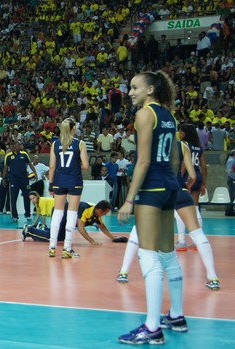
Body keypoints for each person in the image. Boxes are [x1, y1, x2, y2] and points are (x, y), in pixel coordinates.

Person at [116, 71, 184, 345]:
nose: (130, 92)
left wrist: (129, 199)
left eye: (135, 87)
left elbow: (142, 161)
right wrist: (171, 183)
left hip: (152, 189)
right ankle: (177, 316)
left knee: (148, 255)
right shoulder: (169, 115)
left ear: (151, 89)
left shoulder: (145, 114)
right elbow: (176, 156)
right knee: (168, 254)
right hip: (169, 186)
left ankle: (152, 327)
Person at [117, 140, 220, 290]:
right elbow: (192, 175)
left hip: (156, 191)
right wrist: (184, 188)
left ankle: (123, 272)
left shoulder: (150, 144)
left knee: (137, 230)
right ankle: (213, 277)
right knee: (197, 232)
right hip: (179, 189)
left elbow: (143, 167)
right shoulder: (183, 146)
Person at [47, 118, 89, 258]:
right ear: (73, 129)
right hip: (74, 181)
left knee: (57, 213)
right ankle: (67, 248)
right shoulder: (80, 143)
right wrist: (76, 166)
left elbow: (52, 166)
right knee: (72, 214)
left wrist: (51, 184)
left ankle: (52, 247)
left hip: (59, 180)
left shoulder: (55, 144)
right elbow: (86, 165)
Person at [23, 200, 124, 244]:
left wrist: (113, 237)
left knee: (61, 238)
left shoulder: (96, 214)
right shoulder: (86, 209)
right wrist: (92, 241)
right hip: (61, 211)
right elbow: (80, 228)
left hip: (67, 215)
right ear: (100, 210)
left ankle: (43, 229)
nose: (105, 214)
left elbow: (102, 227)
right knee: (53, 237)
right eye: (105, 212)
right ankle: (29, 230)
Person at [176, 124, 207, 249]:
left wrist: (181, 179)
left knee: (180, 209)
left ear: (183, 133)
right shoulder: (199, 147)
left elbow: (184, 164)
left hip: (187, 176)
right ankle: (197, 242)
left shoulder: (184, 145)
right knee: (195, 208)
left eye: (180, 131)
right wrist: (204, 183)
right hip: (198, 176)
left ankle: (181, 240)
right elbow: (204, 167)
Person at [2, 141, 37, 223]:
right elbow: (6, 168)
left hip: (24, 179)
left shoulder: (24, 154)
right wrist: (3, 178)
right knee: (13, 198)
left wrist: (35, 173)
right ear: (13, 146)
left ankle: (28, 215)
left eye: (20, 145)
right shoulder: (8, 156)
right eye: (17, 145)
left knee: (27, 197)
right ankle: (14, 216)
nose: (19, 146)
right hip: (14, 179)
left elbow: (30, 164)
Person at [227, 150, 235, 216]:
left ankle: (230, 210)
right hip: (232, 180)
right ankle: (229, 211)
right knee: (231, 195)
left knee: (232, 195)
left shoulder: (231, 160)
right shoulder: (232, 161)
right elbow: (229, 171)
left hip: (232, 179)